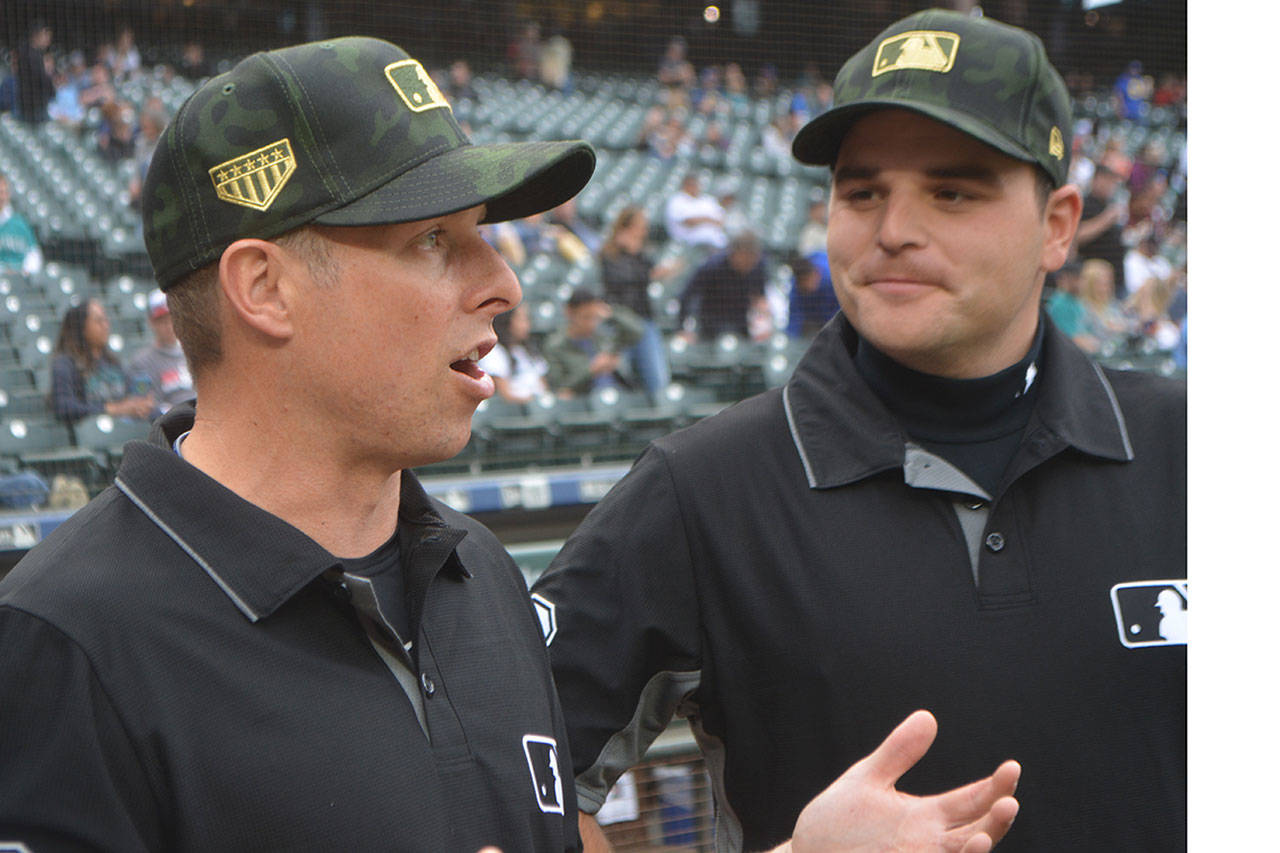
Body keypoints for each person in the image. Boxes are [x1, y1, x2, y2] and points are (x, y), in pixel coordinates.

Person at [533, 10, 1183, 852]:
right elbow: (501, 786)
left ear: (1058, 224)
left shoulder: (1196, 449)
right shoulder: (703, 488)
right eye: (861, 191)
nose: (893, 229)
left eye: (952, 191)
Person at [0, 36, 597, 851]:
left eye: (482, 231)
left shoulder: (482, 571)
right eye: (432, 238)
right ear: (264, 287)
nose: (503, 283)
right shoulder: (63, 638)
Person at [598, 205, 678, 398]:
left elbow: (649, 272)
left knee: (657, 381)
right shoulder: (610, 253)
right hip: (620, 325)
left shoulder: (641, 252)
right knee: (619, 379)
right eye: (639, 226)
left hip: (644, 320)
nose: (643, 231)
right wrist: (630, 253)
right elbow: (620, 280)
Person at [48, 298, 154, 425]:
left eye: (106, 320)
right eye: (99, 321)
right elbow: (64, 407)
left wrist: (140, 405)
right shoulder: (65, 364)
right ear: (81, 327)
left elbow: (130, 396)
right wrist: (112, 409)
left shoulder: (112, 362)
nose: (106, 325)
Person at [543, 287, 645, 398]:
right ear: (569, 313)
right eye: (586, 317)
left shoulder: (602, 337)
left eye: (595, 317)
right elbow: (560, 389)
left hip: (618, 394)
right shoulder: (555, 346)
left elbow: (637, 332)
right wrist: (592, 370)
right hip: (585, 404)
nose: (591, 324)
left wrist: (610, 313)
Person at [677, 230, 769, 340]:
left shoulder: (758, 267)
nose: (750, 263)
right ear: (735, 253)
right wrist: (682, 328)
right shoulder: (712, 266)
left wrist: (764, 323)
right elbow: (687, 296)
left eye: (753, 259)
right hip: (711, 324)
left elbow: (759, 298)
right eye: (746, 258)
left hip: (741, 323)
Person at [126, 290, 194, 416]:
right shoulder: (141, 362)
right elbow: (145, 405)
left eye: (172, 318)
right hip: (172, 423)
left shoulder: (192, 351)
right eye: (162, 321)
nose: (168, 325)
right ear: (152, 323)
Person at [477, 301, 548, 404]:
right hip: (516, 412)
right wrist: (533, 402)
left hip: (537, 409)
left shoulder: (528, 351)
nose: (527, 325)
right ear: (507, 321)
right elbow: (505, 395)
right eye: (522, 319)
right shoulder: (495, 352)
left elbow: (543, 387)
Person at [664, 171, 727, 250]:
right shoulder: (677, 200)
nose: (694, 187)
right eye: (691, 184)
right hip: (688, 242)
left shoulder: (708, 200)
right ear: (684, 185)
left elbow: (720, 221)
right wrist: (707, 219)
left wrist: (702, 220)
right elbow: (688, 222)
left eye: (695, 184)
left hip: (715, 241)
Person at [785, 250, 840, 338]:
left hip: (833, 316)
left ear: (816, 273)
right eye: (804, 282)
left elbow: (840, 311)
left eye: (809, 280)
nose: (808, 285)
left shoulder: (831, 278)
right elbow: (794, 317)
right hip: (814, 320)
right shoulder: (796, 289)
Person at [0, 171, 43, 274]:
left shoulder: (20, 223)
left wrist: (24, 271)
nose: (1, 197)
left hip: (20, 282)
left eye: (4, 192)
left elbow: (34, 255)